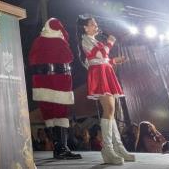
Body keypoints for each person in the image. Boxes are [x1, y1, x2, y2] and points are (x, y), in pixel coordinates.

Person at [78, 16, 134, 164]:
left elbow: (104, 58)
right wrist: (110, 43)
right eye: (92, 24)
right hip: (99, 75)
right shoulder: (85, 40)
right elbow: (98, 55)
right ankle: (107, 149)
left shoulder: (96, 41)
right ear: (85, 28)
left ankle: (118, 147)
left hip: (106, 72)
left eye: (96, 24)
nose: (96, 26)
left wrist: (116, 60)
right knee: (109, 110)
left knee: (111, 112)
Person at [29, 18, 82, 160]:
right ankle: (62, 149)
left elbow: (32, 59)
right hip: (59, 82)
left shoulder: (37, 41)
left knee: (49, 115)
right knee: (60, 114)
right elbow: (69, 57)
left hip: (41, 83)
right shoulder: (59, 41)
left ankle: (57, 147)